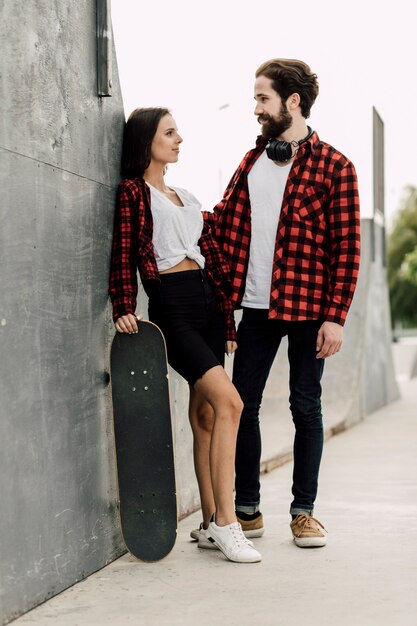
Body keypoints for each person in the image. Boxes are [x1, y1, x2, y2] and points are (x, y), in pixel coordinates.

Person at [201, 59, 361, 547]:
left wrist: (335, 317)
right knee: (242, 404)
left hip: (310, 308)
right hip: (255, 307)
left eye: (262, 98)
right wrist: (166, 202)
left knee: (305, 406)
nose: (255, 108)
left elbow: (347, 247)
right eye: (254, 99)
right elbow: (222, 224)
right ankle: (247, 508)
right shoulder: (250, 164)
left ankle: (303, 511)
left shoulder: (335, 166)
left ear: (292, 101)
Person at [108, 107, 261, 563]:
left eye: (177, 132)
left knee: (208, 417)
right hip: (172, 308)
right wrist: (123, 306)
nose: (179, 139)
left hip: (209, 305)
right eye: (169, 132)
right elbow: (123, 250)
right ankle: (229, 524)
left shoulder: (186, 196)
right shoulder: (135, 193)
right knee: (231, 402)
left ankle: (210, 522)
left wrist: (227, 321)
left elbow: (215, 261)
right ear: (146, 141)